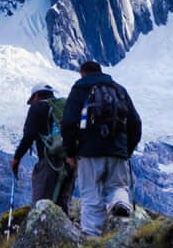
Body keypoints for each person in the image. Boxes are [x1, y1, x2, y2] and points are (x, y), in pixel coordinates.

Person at [61, 61, 142, 236]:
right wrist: (126, 150)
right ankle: (120, 204)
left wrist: (70, 153)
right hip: (118, 151)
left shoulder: (80, 90)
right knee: (118, 186)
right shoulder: (119, 90)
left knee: (91, 195)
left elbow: (67, 123)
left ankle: (92, 237)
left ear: (82, 73)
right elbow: (136, 123)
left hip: (89, 152)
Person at [10, 83, 75, 214]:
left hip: (48, 162)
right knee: (62, 205)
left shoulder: (37, 107)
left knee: (41, 206)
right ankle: (62, 232)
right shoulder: (64, 107)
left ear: (37, 96)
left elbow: (29, 136)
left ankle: (41, 232)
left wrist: (16, 159)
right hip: (69, 161)